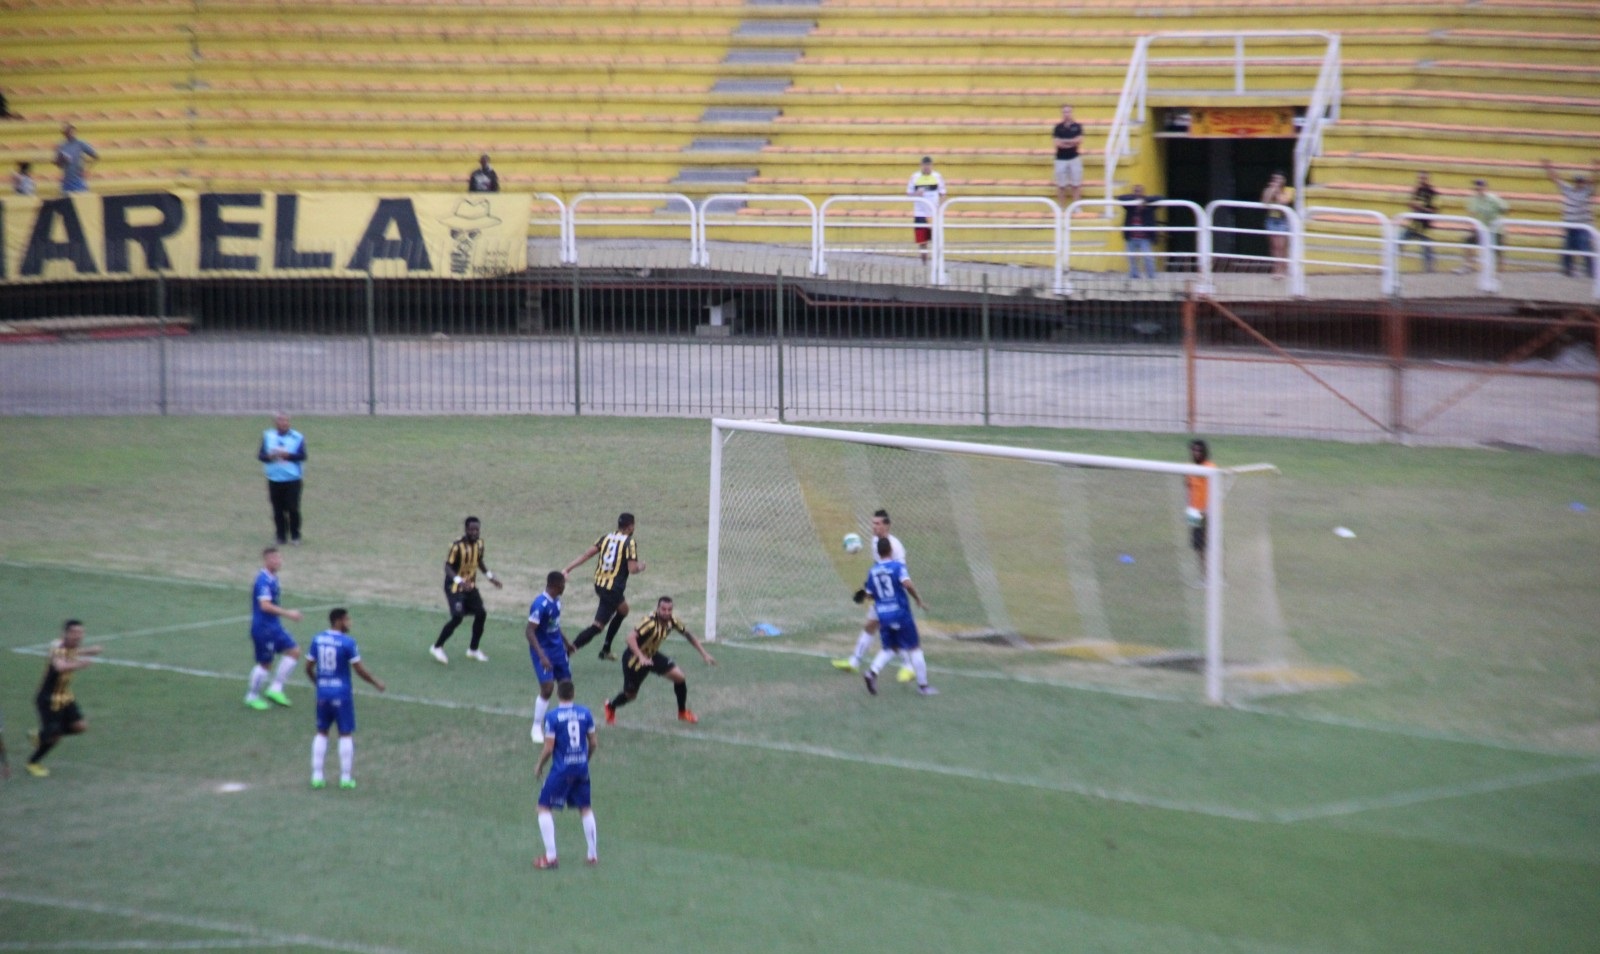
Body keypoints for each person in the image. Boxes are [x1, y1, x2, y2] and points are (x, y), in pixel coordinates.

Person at [603, 596, 715, 726]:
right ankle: (611, 706)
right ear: (657, 609)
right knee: (630, 695)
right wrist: (641, 657)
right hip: (633, 659)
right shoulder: (649, 622)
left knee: (679, 678)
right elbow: (630, 638)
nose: (667, 612)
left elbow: (688, 635)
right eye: (663, 609)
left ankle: (682, 712)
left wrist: (704, 654)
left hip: (652, 656)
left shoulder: (672, 621)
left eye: (669, 609)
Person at [305, 608, 385, 789]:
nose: (349, 623)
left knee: (321, 732)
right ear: (338, 621)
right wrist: (375, 682)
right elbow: (359, 670)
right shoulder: (347, 643)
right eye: (347, 619)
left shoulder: (317, 639)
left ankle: (317, 776)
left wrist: (318, 684)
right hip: (342, 694)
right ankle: (345, 778)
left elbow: (308, 667)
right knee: (345, 733)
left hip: (323, 694)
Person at [833, 509, 913, 682]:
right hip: (884, 595)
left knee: (895, 630)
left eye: (877, 523)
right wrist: (866, 589)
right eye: (873, 523)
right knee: (871, 625)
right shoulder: (875, 542)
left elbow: (898, 573)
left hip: (895, 595)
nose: (874, 526)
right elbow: (879, 569)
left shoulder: (895, 546)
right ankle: (854, 661)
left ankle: (908, 667)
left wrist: (875, 593)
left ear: (886, 525)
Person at [533, 680, 598, 869]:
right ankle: (592, 854)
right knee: (585, 808)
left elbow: (549, 747)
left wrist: (539, 765)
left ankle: (551, 857)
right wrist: (585, 759)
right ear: (573, 694)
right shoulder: (585, 713)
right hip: (581, 767)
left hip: (562, 770)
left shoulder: (552, 717)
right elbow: (593, 743)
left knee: (543, 808)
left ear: (558, 695)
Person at [859, 537, 935, 696]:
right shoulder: (897, 567)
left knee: (891, 648)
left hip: (884, 616)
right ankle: (923, 686)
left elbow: (870, 595)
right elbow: (907, 584)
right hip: (901, 614)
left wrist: (868, 596)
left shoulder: (872, 571)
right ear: (891, 551)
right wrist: (918, 599)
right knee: (914, 647)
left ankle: (872, 672)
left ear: (878, 553)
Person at [25, 620, 102, 777]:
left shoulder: (69, 647)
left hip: (65, 696)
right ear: (65, 633)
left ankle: (41, 735)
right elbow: (60, 666)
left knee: (80, 726)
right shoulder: (57, 647)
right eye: (74, 632)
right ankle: (33, 762)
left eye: (80, 633)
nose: (78, 636)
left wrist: (89, 651)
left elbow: (72, 652)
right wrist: (81, 664)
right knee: (55, 734)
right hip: (49, 699)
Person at [564, 512, 644, 661]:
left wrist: (567, 569)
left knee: (623, 610)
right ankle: (568, 650)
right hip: (612, 589)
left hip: (600, 584)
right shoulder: (629, 542)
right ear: (631, 526)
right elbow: (633, 569)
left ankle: (606, 649)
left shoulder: (606, 537)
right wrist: (641, 567)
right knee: (598, 626)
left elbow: (587, 554)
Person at [431, 516, 503, 664]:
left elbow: (479, 561)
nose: (475, 532)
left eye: (477, 529)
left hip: (469, 586)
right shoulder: (457, 546)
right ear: (466, 529)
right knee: (457, 617)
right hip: (454, 587)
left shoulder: (480, 544)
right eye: (472, 529)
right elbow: (447, 567)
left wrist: (490, 576)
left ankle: (473, 650)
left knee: (481, 613)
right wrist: (459, 581)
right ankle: (437, 647)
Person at [245, 547, 303, 710]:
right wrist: (288, 614)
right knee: (265, 664)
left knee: (294, 651)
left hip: (273, 626)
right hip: (263, 628)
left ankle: (275, 688)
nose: (277, 561)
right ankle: (252, 696)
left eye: (279, 558)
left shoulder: (273, 578)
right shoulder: (262, 580)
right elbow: (264, 605)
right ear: (266, 560)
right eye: (273, 559)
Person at [526, 570, 576, 743]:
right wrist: (542, 656)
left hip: (558, 651)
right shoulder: (539, 605)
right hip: (543, 652)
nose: (564, 587)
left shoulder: (557, 602)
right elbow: (529, 631)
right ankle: (536, 726)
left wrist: (566, 642)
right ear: (555, 585)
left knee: (566, 686)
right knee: (547, 688)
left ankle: (563, 723)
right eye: (563, 585)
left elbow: (555, 625)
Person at [1543, 158, 1598, 279]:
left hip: (1582, 226)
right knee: (1567, 248)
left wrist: (1595, 167)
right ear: (1575, 182)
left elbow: (1593, 180)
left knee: (1585, 248)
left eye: (1581, 182)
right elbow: (1555, 179)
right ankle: (1567, 270)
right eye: (1578, 182)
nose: (1579, 183)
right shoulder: (1568, 190)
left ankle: (1591, 271)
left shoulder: (1587, 191)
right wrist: (1549, 167)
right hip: (1569, 225)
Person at [258, 413, 307, 546]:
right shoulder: (268, 436)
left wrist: (288, 455)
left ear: (289, 422)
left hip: (292, 479)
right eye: (280, 420)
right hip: (274, 479)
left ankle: (295, 536)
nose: (283, 423)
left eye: (285, 420)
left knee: (292, 508)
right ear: (275, 422)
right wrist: (270, 456)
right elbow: (261, 456)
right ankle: (280, 536)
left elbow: (302, 456)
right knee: (277, 509)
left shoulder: (297, 437)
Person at [1457, 178, 1509, 273]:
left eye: (1480, 186)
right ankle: (1468, 265)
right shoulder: (1474, 200)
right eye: (1476, 187)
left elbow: (1504, 209)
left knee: (1498, 251)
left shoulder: (1493, 199)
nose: (1477, 189)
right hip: (1482, 230)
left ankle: (1501, 269)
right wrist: (1471, 227)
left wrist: (1496, 217)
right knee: (1467, 240)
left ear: (1485, 188)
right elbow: (1471, 214)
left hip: (1495, 230)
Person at [1184, 439, 1217, 582]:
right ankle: (1204, 576)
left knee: (1212, 544)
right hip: (1194, 512)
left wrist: (1209, 509)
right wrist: (1189, 507)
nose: (1196, 453)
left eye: (1199, 450)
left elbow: (1214, 491)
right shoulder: (1188, 468)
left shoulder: (1210, 468)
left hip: (1209, 512)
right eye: (1194, 450)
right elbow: (1188, 488)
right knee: (1198, 546)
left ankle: (1218, 575)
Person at [1116, 184, 1164, 279]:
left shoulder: (1149, 205)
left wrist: (1145, 201)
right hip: (1131, 236)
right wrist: (1134, 200)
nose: (1137, 193)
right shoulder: (1130, 205)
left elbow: (1161, 198)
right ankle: (1134, 276)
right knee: (1131, 258)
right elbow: (1120, 198)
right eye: (1135, 191)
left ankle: (1152, 276)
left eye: (1139, 191)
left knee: (1148, 258)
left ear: (1143, 192)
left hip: (1144, 237)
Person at [906, 156, 946, 264]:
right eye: (924, 165)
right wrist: (916, 194)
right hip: (920, 213)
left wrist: (940, 208)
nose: (926, 167)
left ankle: (937, 261)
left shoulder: (937, 177)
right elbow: (908, 194)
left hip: (933, 213)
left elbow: (943, 193)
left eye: (928, 165)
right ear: (921, 165)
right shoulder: (915, 177)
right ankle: (924, 260)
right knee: (922, 240)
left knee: (936, 237)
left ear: (931, 166)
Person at [1401, 171, 1439, 273]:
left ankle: (1429, 269)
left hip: (1426, 225)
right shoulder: (1416, 190)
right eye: (1420, 179)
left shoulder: (1433, 193)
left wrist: (1421, 208)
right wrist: (1412, 206)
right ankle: (1391, 264)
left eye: (1423, 179)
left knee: (1427, 247)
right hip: (1414, 224)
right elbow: (1410, 204)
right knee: (1399, 241)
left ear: (1428, 179)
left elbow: (1435, 210)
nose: (1421, 181)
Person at [1260, 172, 1293, 278]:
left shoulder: (1289, 190)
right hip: (1271, 219)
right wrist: (1271, 191)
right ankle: (1276, 269)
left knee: (1282, 246)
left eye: (1279, 179)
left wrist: (1278, 191)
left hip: (1283, 220)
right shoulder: (1268, 189)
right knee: (1274, 246)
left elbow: (1284, 201)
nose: (1277, 182)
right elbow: (1265, 202)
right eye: (1275, 179)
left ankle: (1284, 269)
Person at [1052, 105, 1085, 206]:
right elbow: (1057, 143)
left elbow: (1078, 141)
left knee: (1076, 184)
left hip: (1074, 158)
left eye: (1068, 112)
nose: (1067, 114)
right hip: (1060, 159)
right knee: (1061, 185)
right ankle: (1062, 207)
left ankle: (1076, 206)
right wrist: (1071, 142)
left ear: (1072, 113)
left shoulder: (1078, 126)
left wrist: (1065, 142)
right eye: (1064, 112)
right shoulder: (1058, 127)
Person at [53, 124, 98, 194]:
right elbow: (59, 164)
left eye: (72, 132)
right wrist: (61, 159)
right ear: (64, 134)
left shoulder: (80, 144)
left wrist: (87, 171)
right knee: (67, 201)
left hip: (78, 179)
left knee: (82, 199)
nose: (70, 134)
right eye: (67, 132)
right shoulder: (61, 146)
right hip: (67, 179)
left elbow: (95, 156)